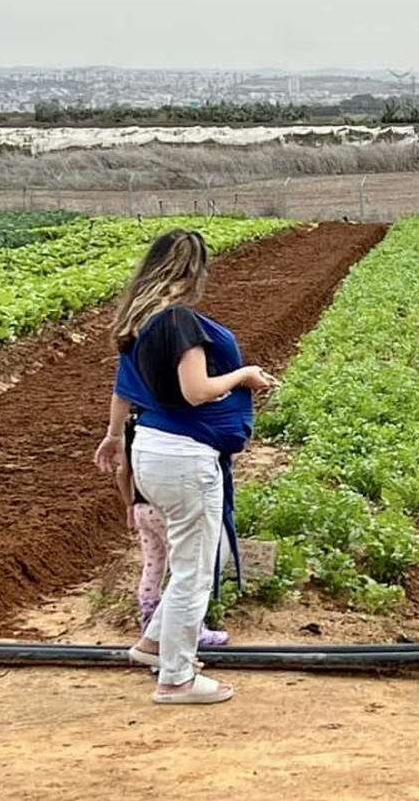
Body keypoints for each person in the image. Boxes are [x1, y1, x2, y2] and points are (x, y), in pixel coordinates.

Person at [94, 228, 277, 704]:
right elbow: (196, 391)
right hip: (184, 455)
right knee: (194, 569)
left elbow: (123, 388)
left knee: (206, 553)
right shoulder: (178, 320)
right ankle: (176, 679)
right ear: (193, 270)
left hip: (152, 450)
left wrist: (113, 436)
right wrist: (244, 376)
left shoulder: (140, 321)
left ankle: (154, 641)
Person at [113, 411, 229, 648]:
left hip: (142, 508)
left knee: (153, 566)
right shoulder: (168, 425)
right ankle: (189, 628)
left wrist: (129, 505)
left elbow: (122, 472)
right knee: (186, 567)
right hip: (164, 509)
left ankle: (149, 622)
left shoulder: (133, 427)